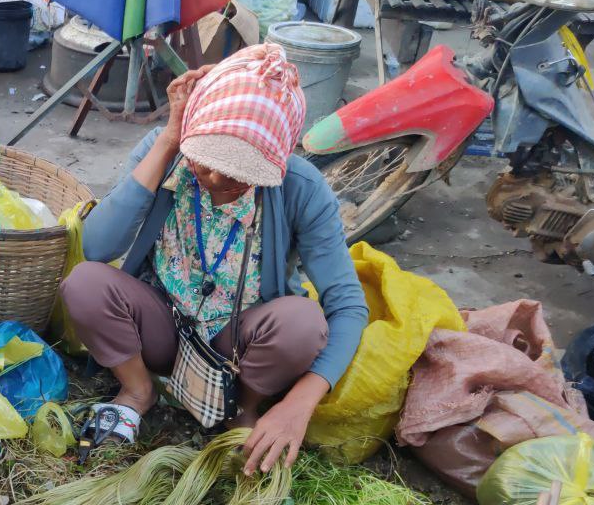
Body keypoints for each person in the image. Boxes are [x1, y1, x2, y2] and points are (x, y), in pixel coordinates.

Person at [60, 44, 369, 475]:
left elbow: (347, 305)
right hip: (162, 325)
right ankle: (138, 391)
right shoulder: (170, 150)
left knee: (303, 323)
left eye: (241, 172)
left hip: (238, 344)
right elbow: (97, 245)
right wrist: (169, 142)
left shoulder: (301, 187)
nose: (218, 179)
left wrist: (299, 404)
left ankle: (243, 408)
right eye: (207, 162)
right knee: (85, 283)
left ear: (276, 160)